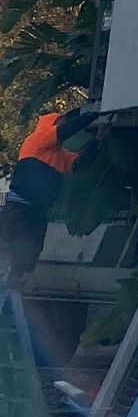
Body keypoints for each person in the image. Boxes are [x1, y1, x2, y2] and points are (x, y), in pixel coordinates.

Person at [0, 104, 108, 287]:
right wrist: (92, 116)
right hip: (19, 208)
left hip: (38, 211)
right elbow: (65, 131)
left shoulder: (61, 155)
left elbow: (80, 164)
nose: (63, 126)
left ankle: (15, 282)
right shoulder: (37, 140)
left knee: (32, 250)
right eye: (60, 123)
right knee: (19, 245)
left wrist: (97, 141)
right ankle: (10, 279)